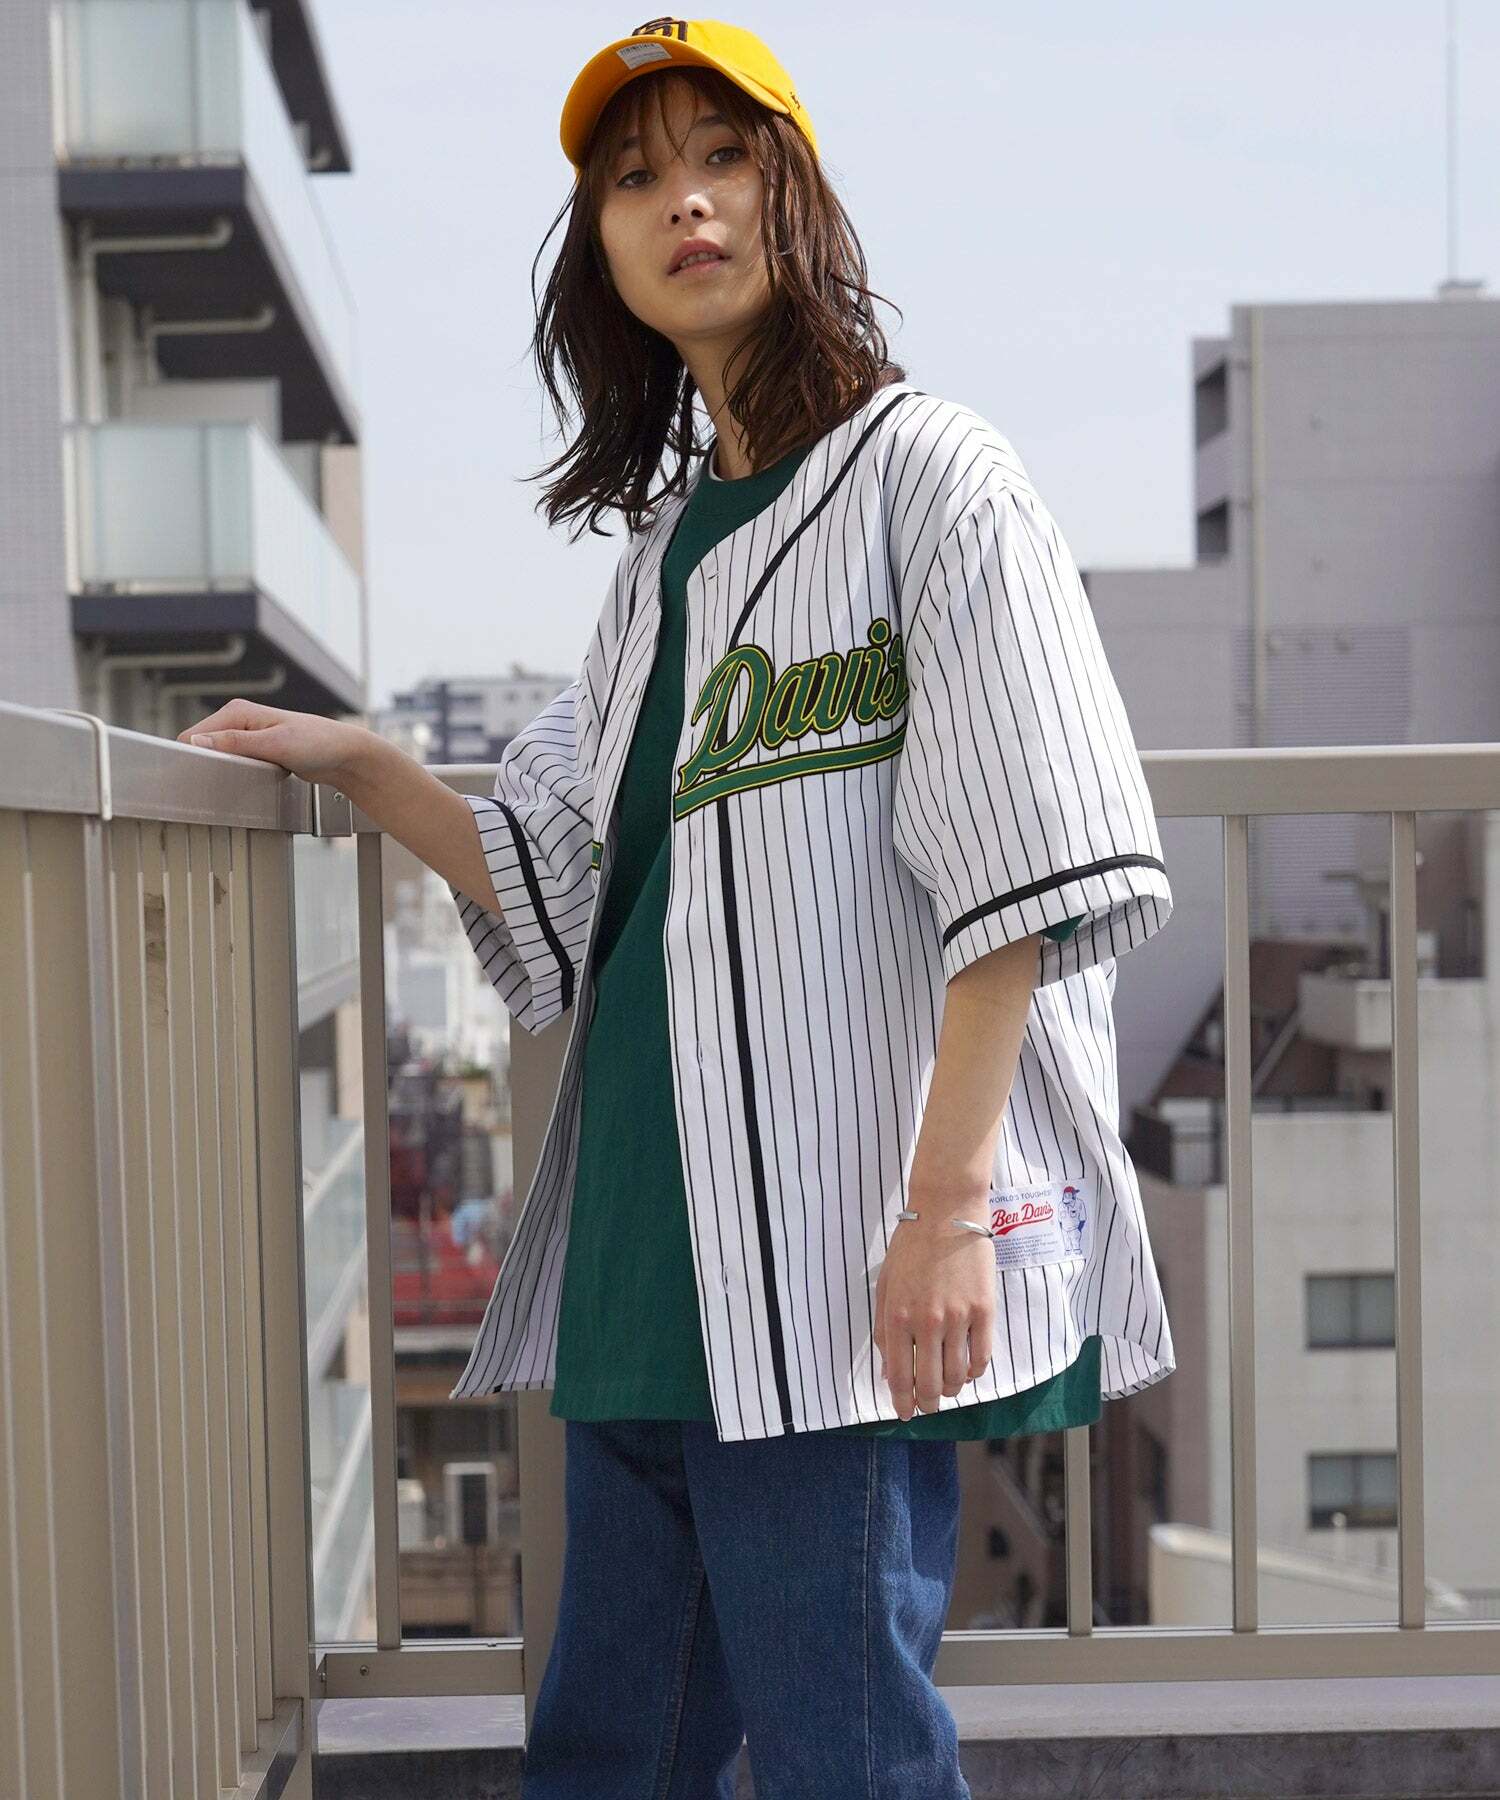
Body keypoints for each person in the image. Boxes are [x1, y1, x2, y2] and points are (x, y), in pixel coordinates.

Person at [178, 19, 1177, 1795]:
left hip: (838, 1251)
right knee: (605, 1756)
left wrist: (948, 1210)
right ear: (602, 254)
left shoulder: (934, 473)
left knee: (845, 1752)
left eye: (723, 157)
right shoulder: (656, 566)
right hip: (651, 1245)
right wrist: (374, 768)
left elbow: (1021, 868)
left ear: (796, 200)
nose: (684, 202)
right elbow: (567, 888)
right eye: (635, 179)